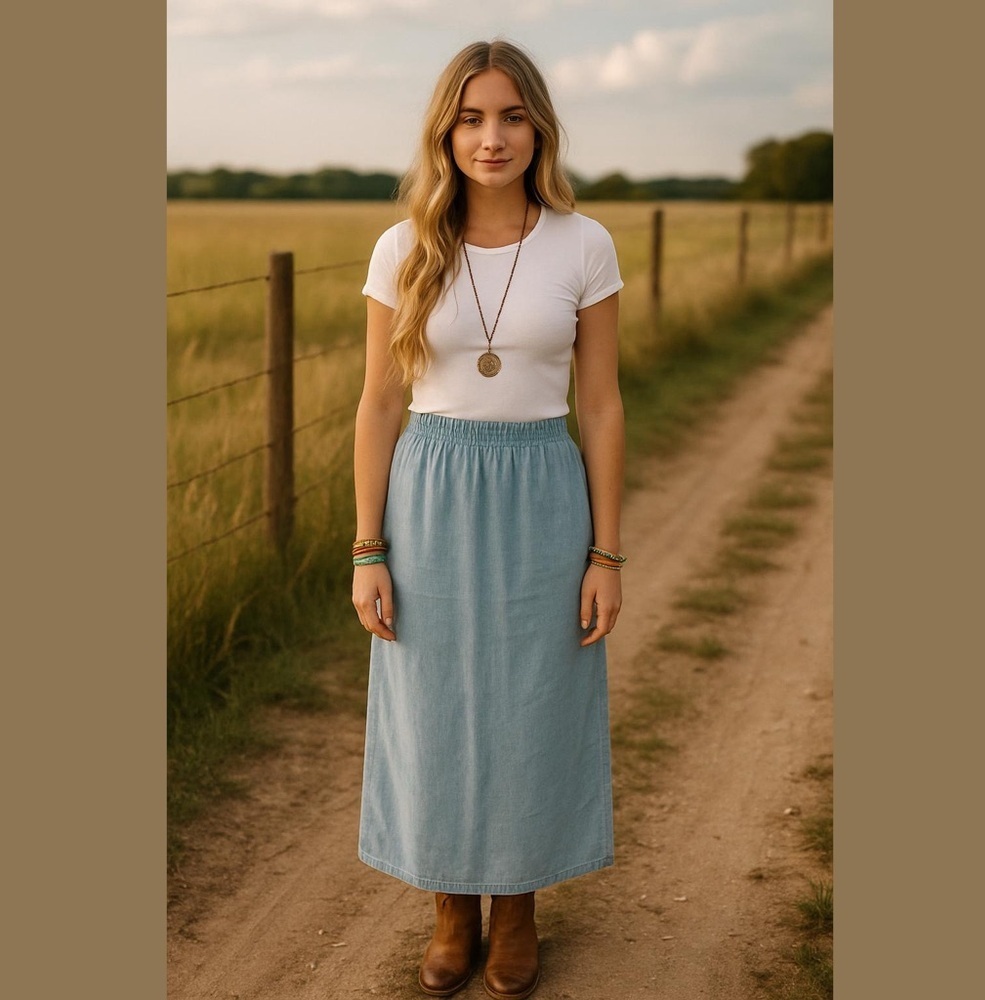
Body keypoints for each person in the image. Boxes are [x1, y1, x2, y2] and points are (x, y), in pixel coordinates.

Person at [352, 39, 625, 1000]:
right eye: (470, 118)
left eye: (511, 116)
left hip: (544, 487)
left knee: (534, 699)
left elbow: (600, 407)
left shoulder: (583, 243)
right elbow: (380, 404)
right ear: (446, 131)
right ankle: (449, 906)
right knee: (430, 705)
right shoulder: (403, 248)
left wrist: (605, 552)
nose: (491, 136)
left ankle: (516, 906)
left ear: (538, 126)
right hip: (427, 490)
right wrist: (366, 549)